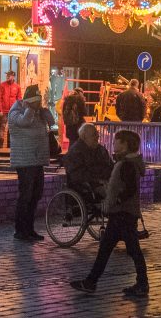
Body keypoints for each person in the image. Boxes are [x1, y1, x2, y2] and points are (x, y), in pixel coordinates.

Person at [69, 129, 149, 298]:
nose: (113, 144)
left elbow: (128, 189)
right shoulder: (126, 162)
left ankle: (142, 283)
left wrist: (116, 201)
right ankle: (91, 282)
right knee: (107, 249)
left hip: (123, 213)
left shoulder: (126, 164)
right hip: (120, 213)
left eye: (116, 141)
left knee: (132, 249)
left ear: (125, 144)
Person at [9, 84, 53, 242]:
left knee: (36, 195)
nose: (37, 104)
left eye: (38, 101)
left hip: (37, 160)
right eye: (34, 101)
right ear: (27, 101)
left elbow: (52, 122)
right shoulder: (16, 112)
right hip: (24, 161)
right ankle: (20, 230)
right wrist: (30, 109)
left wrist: (45, 112)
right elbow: (24, 122)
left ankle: (30, 228)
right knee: (26, 196)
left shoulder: (37, 112)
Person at [62, 123, 113, 201]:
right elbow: (78, 175)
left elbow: (110, 166)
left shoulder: (101, 150)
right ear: (84, 137)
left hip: (104, 182)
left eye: (97, 134)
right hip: (89, 185)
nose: (97, 136)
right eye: (94, 134)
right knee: (113, 195)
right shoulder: (76, 152)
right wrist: (99, 180)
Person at [0, 70, 21, 146]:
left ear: (13, 77)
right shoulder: (2, 85)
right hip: (4, 111)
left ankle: (9, 146)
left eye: (9, 75)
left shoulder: (17, 87)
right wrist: (0, 110)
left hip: (13, 111)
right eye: (7, 75)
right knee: (2, 127)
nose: (7, 77)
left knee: (11, 128)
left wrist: (18, 110)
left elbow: (19, 99)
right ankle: (0, 146)